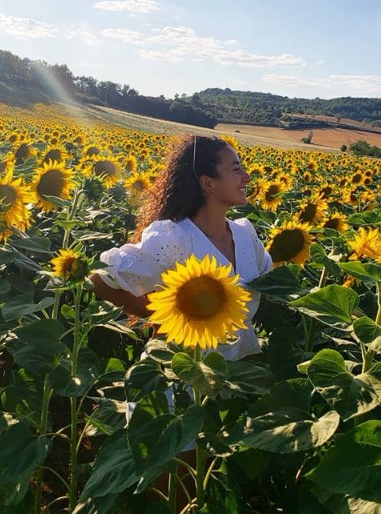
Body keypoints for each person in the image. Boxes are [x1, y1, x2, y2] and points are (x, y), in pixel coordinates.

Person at [89, 135, 272, 360]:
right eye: (236, 170)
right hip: (179, 376)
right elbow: (100, 279)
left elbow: (274, 282)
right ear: (208, 183)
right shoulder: (175, 239)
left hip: (237, 376)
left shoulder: (245, 235)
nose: (247, 178)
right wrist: (167, 314)